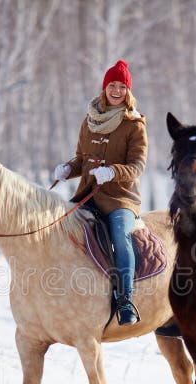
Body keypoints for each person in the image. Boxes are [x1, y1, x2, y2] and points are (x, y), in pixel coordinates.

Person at [52, 60, 147, 325]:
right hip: (88, 196)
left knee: (120, 235)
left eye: (121, 86)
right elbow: (81, 159)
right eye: (112, 85)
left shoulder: (134, 125)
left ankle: (125, 299)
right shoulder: (90, 121)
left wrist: (114, 172)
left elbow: (138, 166)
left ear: (128, 91)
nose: (116, 90)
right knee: (61, 229)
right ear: (104, 87)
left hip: (120, 199)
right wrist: (67, 169)